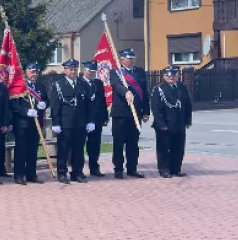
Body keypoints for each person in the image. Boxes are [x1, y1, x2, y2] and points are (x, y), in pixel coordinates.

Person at [50, 59, 96, 185]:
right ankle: (62, 172)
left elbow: (89, 105)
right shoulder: (58, 85)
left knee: (79, 149)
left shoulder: (83, 85)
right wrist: (56, 123)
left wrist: (91, 121)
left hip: (80, 123)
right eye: (71, 69)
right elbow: (55, 106)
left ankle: (77, 172)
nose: (73, 71)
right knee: (64, 149)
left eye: (75, 69)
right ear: (65, 70)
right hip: (65, 123)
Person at [109, 49, 150, 179]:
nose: (131, 61)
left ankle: (132, 168)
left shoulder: (139, 72)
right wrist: (126, 91)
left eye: (133, 58)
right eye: (128, 58)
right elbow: (115, 85)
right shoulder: (115, 72)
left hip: (135, 114)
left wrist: (146, 111)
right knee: (119, 143)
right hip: (120, 114)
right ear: (121, 59)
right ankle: (118, 169)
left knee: (133, 143)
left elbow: (145, 92)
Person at [150, 66, 192, 178]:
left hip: (179, 123)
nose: (171, 77)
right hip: (165, 124)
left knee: (178, 148)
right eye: (168, 75)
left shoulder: (182, 87)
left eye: (173, 75)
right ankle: (164, 169)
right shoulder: (159, 89)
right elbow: (156, 108)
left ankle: (176, 168)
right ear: (164, 76)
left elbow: (188, 105)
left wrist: (188, 120)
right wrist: (161, 124)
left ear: (177, 75)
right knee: (163, 148)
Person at [11, 62, 48, 185]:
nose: (34, 74)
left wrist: (44, 105)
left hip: (35, 123)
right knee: (21, 149)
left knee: (33, 150)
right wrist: (26, 111)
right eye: (32, 71)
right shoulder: (19, 86)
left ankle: (31, 174)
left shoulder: (40, 86)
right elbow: (14, 104)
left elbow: (46, 100)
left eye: (36, 71)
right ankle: (19, 175)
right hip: (22, 123)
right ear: (26, 71)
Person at [82, 61, 109, 177]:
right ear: (84, 71)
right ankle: (78, 170)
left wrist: (105, 116)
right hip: (83, 119)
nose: (91, 74)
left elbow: (102, 101)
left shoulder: (98, 83)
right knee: (79, 145)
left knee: (95, 145)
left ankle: (94, 168)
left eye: (93, 71)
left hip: (97, 119)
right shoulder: (79, 82)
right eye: (89, 71)